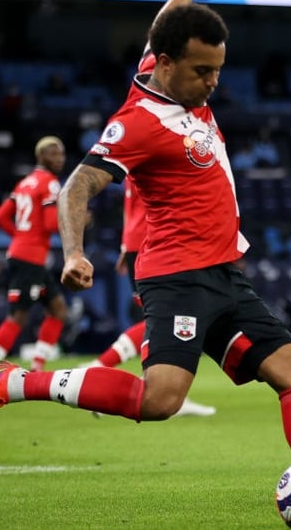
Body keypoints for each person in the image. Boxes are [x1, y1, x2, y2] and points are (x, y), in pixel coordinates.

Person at [0, 0, 291, 525]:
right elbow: (76, 188)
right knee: (161, 401)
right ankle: (12, 382)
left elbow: (167, 16)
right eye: (202, 71)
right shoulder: (138, 122)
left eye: (217, 71)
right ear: (165, 64)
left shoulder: (169, 68)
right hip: (177, 277)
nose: (212, 83)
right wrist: (73, 253)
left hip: (226, 274)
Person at [83, 175, 216, 417]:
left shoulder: (136, 163)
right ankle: (105, 369)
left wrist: (126, 245)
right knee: (164, 320)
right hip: (155, 243)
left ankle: (152, 386)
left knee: (157, 321)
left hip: (138, 242)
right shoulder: (158, 159)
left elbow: (130, 205)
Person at [0, 136, 69, 373]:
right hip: (30, 259)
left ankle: (37, 367)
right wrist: (75, 218)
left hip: (28, 257)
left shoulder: (24, 183)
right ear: (41, 157)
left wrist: (20, 235)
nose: (60, 158)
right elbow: (51, 224)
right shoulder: (50, 183)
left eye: (61, 153)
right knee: (18, 316)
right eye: (54, 153)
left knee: (58, 309)